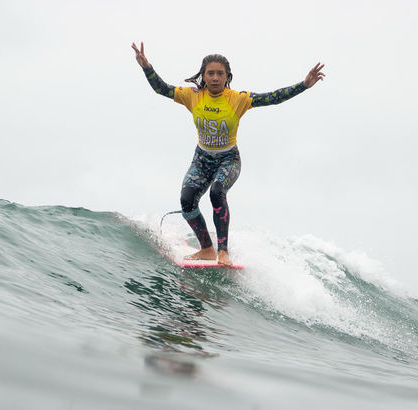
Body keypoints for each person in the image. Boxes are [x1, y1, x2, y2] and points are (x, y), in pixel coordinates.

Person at [132, 42, 325, 265]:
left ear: (227, 76)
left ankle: (223, 251)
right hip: (202, 159)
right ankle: (207, 249)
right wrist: (146, 67)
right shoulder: (193, 95)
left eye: (220, 74)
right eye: (210, 73)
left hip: (228, 160)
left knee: (216, 192)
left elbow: (273, 97)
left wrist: (304, 85)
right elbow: (161, 89)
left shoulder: (238, 99)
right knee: (187, 201)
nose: (215, 77)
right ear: (203, 75)